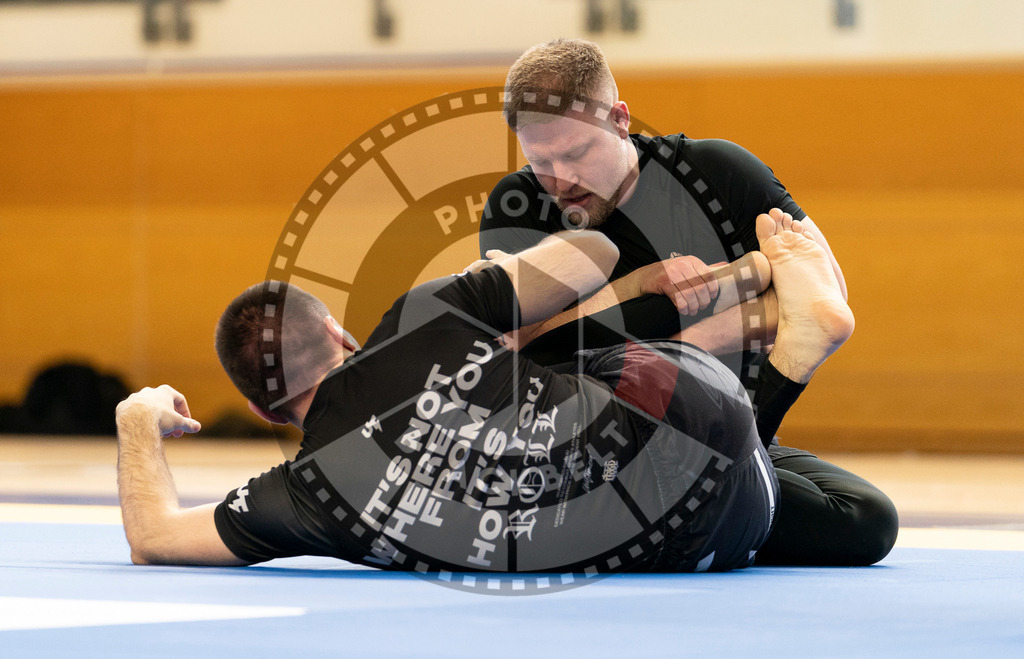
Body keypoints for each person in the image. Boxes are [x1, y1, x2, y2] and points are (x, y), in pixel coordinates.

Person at [113, 227, 814, 573]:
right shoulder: (417, 313)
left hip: (720, 534)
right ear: (338, 331)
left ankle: (775, 338)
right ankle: (750, 317)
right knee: (539, 346)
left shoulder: (301, 498)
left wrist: (136, 419)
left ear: (267, 411)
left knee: (523, 364)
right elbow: (595, 253)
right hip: (701, 401)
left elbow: (153, 537)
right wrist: (495, 276)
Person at [479, 38, 898, 566]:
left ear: (619, 119)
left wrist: (665, 329)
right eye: (542, 161)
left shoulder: (719, 171)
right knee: (581, 356)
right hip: (601, 453)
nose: (561, 179)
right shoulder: (516, 206)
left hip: (733, 425)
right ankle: (773, 343)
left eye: (577, 153)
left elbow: (823, 284)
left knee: (866, 519)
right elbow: (536, 353)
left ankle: (699, 507)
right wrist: (738, 314)